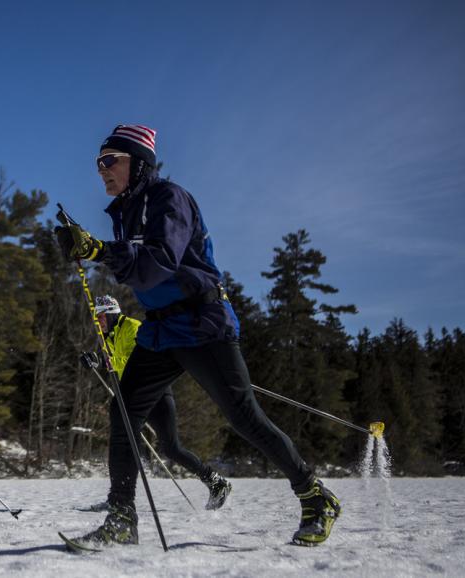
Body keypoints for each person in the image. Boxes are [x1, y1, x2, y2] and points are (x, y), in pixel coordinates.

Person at [56, 125, 340, 547]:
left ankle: (316, 496)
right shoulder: (125, 212)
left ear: (138, 162)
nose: (101, 171)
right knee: (124, 412)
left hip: (202, 321)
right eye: (98, 163)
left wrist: (98, 251)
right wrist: (92, 250)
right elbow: (137, 272)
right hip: (160, 329)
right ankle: (121, 519)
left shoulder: (169, 198)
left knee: (244, 417)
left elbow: (159, 262)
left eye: (109, 160)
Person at [90, 294, 231, 511]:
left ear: (111, 314)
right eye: (95, 317)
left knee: (171, 447)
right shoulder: (108, 337)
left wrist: (108, 362)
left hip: (156, 392)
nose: (97, 322)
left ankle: (215, 481)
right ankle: (117, 498)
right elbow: (118, 368)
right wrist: (96, 362)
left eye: (100, 317)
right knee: (124, 437)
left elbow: (134, 361)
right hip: (136, 393)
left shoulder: (131, 327)